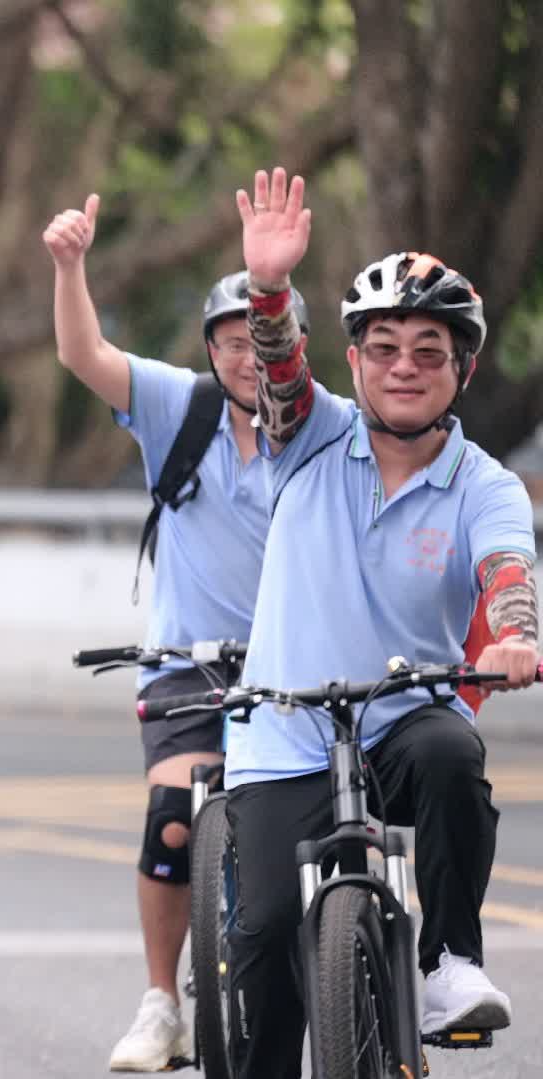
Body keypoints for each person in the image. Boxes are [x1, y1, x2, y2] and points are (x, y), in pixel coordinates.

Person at [227, 166, 537, 1077]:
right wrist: (270, 289)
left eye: (429, 350)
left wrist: (515, 635)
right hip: (283, 733)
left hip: (405, 718)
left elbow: (508, 568)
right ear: (355, 362)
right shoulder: (309, 435)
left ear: (462, 368)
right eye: (385, 347)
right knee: (268, 938)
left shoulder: (484, 482)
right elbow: (279, 370)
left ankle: (450, 963)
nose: (405, 365)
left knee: (452, 754)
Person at [43, 195, 308, 1070]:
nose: (245, 355)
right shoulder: (176, 408)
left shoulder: (323, 427)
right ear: (211, 349)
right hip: (188, 663)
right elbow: (82, 352)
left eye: (259, 337)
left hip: (298, 668)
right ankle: (163, 1000)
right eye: (228, 340)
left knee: (328, 821)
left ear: (290, 341)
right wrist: (71, 267)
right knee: (172, 819)